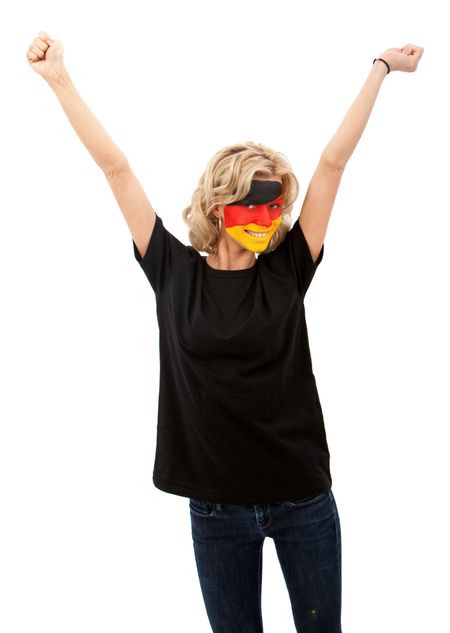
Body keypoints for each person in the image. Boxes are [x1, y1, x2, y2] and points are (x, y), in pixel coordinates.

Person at [26, 32, 424, 633]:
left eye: (277, 208)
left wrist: (381, 68)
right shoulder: (170, 270)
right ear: (220, 206)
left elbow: (333, 163)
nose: (271, 219)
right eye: (257, 205)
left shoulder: (290, 267)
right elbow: (116, 168)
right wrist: (58, 78)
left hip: (302, 500)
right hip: (215, 509)